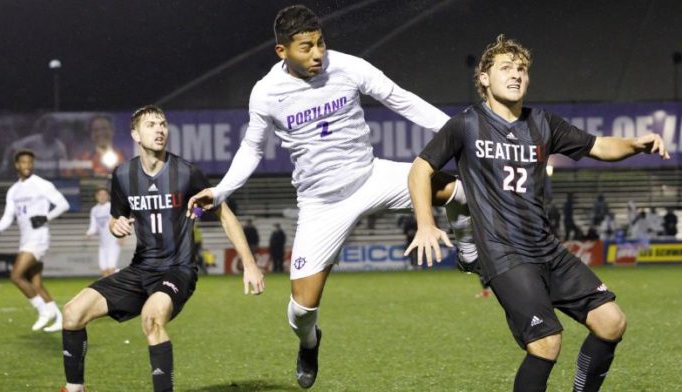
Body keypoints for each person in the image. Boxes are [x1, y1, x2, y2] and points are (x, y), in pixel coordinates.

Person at [185, 5, 475, 389]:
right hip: (321, 204)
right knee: (302, 309)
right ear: (282, 51)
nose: (317, 53)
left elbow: (400, 99)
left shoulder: (349, 67)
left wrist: (457, 132)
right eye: (306, 47)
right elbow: (252, 149)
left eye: (320, 43)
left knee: (466, 187)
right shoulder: (267, 94)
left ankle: (468, 248)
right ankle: (309, 343)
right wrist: (220, 189)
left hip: (371, 176)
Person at [406, 35, 669, 392]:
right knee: (546, 343)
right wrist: (425, 223)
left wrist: (636, 143)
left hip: (548, 250)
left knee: (611, 322)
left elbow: (600, 146)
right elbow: (420, 169)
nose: (516, 75)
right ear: (483, 78)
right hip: (505, 255)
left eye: (522, 69)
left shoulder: (543, 123)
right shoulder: (465, 125)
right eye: (505, 68)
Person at [58, 106, 265, 392]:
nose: (159, 130)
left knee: (151, 319)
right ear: (135, 134)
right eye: (151, 125)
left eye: (163, 124)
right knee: (72, 313)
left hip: (177, 269)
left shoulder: (187, 173)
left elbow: (225, 215)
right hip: (140, 268)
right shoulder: (122, 175)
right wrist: (115, 224)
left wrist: (250, 264)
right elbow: (117, 217)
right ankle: (74, 389)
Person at [0, 149, 70, 332]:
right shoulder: (13, 190)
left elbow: (63, 204)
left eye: (30, 162)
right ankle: (58, 318)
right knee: (36, 284)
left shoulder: (42, 184)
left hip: (38, 238)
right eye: (23, 162)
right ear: (17, 165)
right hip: (25, 238)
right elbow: (9, 215)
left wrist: (45, 217)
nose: (27, 165)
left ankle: (43, 311)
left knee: (16, 276)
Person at [0, 114, 68, 178]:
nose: (53, 131)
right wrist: (5, 165)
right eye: (51, 128)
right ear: (44, 128)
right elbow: (12, 148)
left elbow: (63, 167)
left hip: (50, 181)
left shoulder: (59, 146)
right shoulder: (31, 141)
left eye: (55, 129)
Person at [86, 187, 121, 277]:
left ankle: (119, 287)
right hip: (103, 244)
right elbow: (93, 227)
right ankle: (111, 289)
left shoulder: (112, 207)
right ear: (96, 196)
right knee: (104, 270)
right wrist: (89, 233)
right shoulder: (94, 210)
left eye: (104, 195)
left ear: (108, 196)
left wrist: (121, 236)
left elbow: (120, 220)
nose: (102, 197)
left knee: (111, 268)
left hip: (113, 242)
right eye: (100, 195)